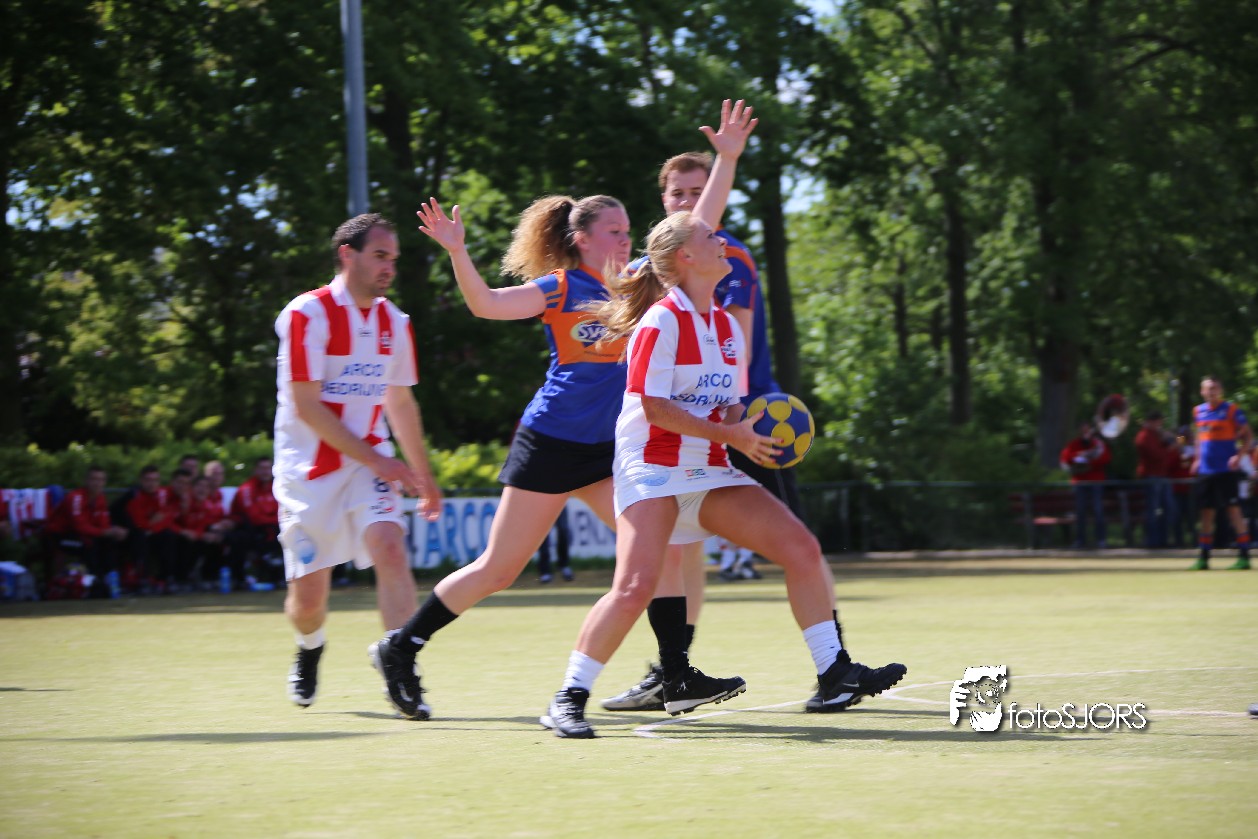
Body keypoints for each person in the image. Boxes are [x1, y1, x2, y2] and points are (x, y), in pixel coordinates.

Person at [370, 99, 756, 722]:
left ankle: (677, 674)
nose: (626, 239)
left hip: (609, 452)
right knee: (499, 569)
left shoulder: (640, 281)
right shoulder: (560, 287)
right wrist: (457, 251)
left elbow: (698, 225)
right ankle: (401, 645)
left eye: (628, 231)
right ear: (581, 240)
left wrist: (727, 160)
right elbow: (486, 306)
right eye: (615, 231)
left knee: (657, 554)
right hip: (551, 441)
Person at [539, 206, 908, 739]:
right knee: (635, 587)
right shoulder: (661, 321)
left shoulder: (726, 327)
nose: (723, 242)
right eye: (711, 236)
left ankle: (834, 674)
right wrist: (733, 435)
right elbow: (655, 408)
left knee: (802, 549)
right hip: (652, 466)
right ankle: (568, 698)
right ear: (686, 256)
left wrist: (755, 434)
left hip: (708, 468)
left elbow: (729, 408)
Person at [601, 150, 847, 717]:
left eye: (699, 191)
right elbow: (650, 377)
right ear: (664, 202)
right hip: (680, 445)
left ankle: (834, 666)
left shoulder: (722, 265)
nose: (690, 203)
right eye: (678, 194)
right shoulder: (659, 277)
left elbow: (725, 348)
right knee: (666, 565)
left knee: (797, 547)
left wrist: (729, 158)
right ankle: (665, 674)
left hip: (738, 429)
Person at [274, 212, 443, 708]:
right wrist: (383, 462)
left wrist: (423, 476)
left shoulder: (396, 322)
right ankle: (309, 647)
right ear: (347, 254)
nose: (390, 267)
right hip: (308, 473)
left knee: (391, 547)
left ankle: (400, 664)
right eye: (380, 256)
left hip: (370, 464)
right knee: (308, 603)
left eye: (394, 259)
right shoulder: (307, 313)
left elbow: (400, 402)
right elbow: (307, 406)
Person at [1190, 376, 1252, 570]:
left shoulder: (1231, 410)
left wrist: (1239, 456)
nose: (1212, 392)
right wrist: (1197, 459)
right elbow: (1199, 438)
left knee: (1233, 510)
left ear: (1221, 391)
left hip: (1226, 469)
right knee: (1206, 513)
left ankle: (1244, 555)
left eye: (1215, 388)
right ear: (1202, 391)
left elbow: (1248, 435)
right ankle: (1204, 556)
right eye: (1208, 389)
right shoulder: (1198, 411)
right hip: (1206, 470)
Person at [45, 465, 129, 578]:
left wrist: (114, 531)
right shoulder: (76, 497)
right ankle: (93, 580)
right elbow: (79, 526)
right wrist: (106, 532)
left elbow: (103, 524)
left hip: (82, 535)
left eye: (101, 480)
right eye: (94, 479)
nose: (97, 483)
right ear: (86, 481)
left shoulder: (101, 498)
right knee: (89, 545)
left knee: (110, 542)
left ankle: (111, 577)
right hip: (59, 535)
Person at [121, 465, 181, 592]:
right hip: (136, 536)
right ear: (141, 481)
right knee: (140, 537)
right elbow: (140, 524)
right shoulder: (134, 498)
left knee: (169, 535)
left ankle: (167, 578)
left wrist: (152, 525)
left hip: (154, 533)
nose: (152, 484)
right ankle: (143, 579)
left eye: (155, 480)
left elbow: (167, 518)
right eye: (148, 480)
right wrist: (154, 522)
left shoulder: (162, 495)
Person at [1059, 422, 1111, 549]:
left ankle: (1101, 540)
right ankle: (1080, 540)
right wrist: (1079, 456)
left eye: (1087, 430)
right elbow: (1066, 459)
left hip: (1096, 482)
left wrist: (1089, 459)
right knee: (1080, 511)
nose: (1085, 433)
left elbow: (1106, 458)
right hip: (1080, 482)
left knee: (1098, 510)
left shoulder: (1098, 444)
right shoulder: (1073, 444)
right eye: (1083, 431)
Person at [229, 456, 281, 584]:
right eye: (262, 468)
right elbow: (254, 518)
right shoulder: (246, 489)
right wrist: (278, 520)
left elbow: (283, 511)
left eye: (268, 468)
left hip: (272, 529)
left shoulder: (277, 487)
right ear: (255, 470)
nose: (265, 472)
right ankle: (240, 578)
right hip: (249, 529)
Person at [1135, 411, 1176, 548]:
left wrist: (1171, 440)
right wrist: (1168, 448)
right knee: (1152, 509)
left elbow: (1178, 442)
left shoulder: (1159, 435)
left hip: (1163, 476)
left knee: (1168, 508)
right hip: (1151, 476)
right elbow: (1155, 455)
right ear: (1151, 422)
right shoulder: (1143, 436)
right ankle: (1152, 541)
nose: (1160, 425)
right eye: (1158, 422)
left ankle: (1164, 540)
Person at [536, 505, 573, 583]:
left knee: (563, 529)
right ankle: (545, 570)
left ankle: (564, 565)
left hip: (559, 502)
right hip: (540, 504)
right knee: (543, 534)